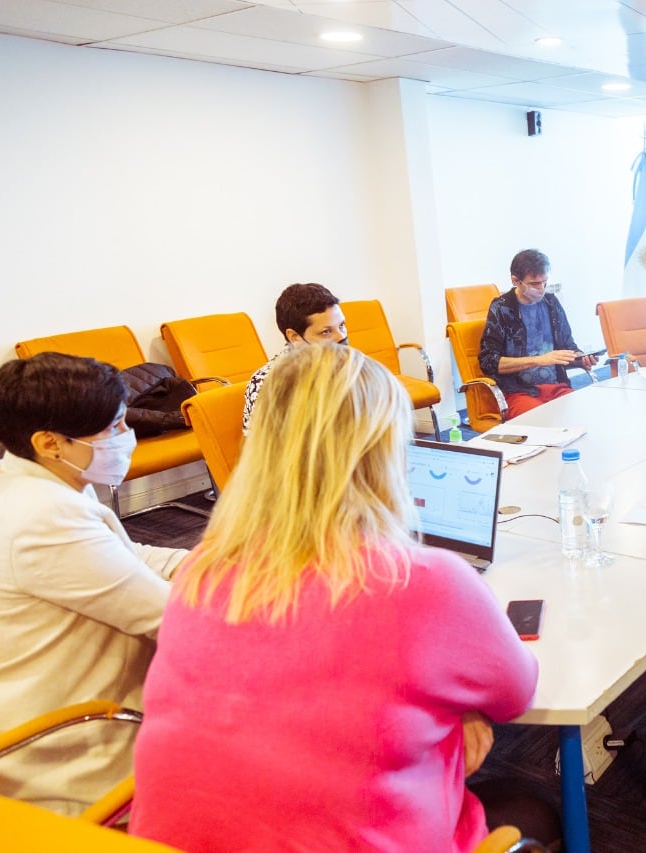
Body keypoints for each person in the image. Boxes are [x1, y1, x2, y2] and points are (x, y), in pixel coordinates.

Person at [130, 345, 545, 852]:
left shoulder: (202, 569)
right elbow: (517, 690)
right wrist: (460, 710)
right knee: (535, 810)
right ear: (386, 453)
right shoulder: (425, 582)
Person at [0, 353, 188, 815]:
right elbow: (173, 620)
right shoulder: (39, 520)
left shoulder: (34, 477)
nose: (126, 437)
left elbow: (124, 557)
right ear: (50, 442)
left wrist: (211, 561)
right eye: (112, 428)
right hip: (67, 747)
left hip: (75, 703)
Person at [478, 248, 596, 418]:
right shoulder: (501, 308)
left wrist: (580, 359)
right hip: (518, 392)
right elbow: (488, 362)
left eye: (545, 282)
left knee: (582, 416)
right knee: (542, 421)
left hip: (556, 387)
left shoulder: (551, 303)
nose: (541, 288)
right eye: (534, 284)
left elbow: (568, 347)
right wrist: (538, 360)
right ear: (516, 281)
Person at [242, 282, 348, 431]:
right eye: (326, 332)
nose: (341, 336)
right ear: (295, 337)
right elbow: (265, 449)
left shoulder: (347, 365)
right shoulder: (268, 384)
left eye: (342, 325)